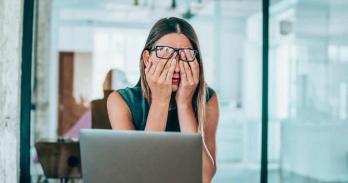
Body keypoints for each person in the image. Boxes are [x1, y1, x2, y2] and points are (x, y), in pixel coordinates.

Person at [107, 17, 219, 183]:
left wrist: (184, 104)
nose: (176, 65)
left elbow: (204, 177)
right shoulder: (120, 101)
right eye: (165, 52)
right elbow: (140, 174)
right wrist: (160, 100)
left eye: (186, 55)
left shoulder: (207, 99)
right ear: (147, 58)